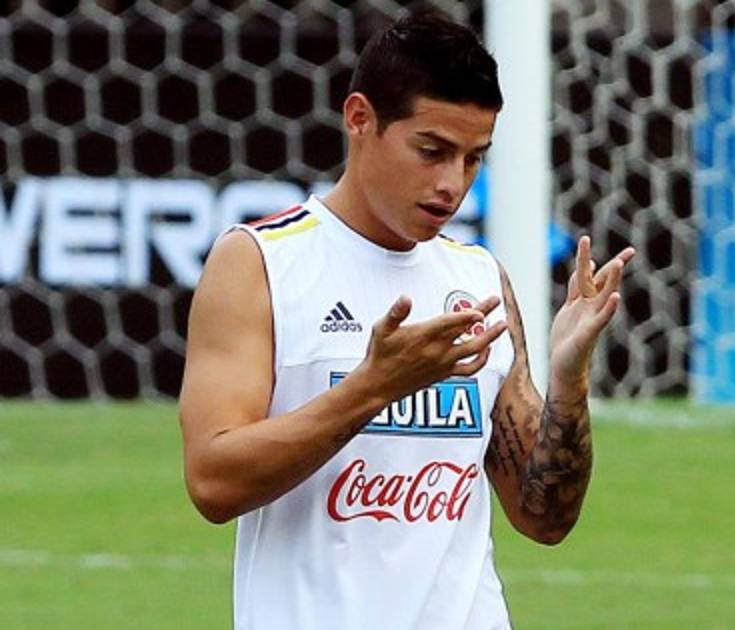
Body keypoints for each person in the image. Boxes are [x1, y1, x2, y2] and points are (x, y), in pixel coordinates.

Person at [178, 12, 634, 630]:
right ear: (359, 118)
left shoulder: (476, 278)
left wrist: (569, 378)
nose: (452, 184)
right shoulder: (260, 262)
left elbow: (544, 518)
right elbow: (212, 482)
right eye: (432, 151)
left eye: (473, 159)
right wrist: (374, 388)